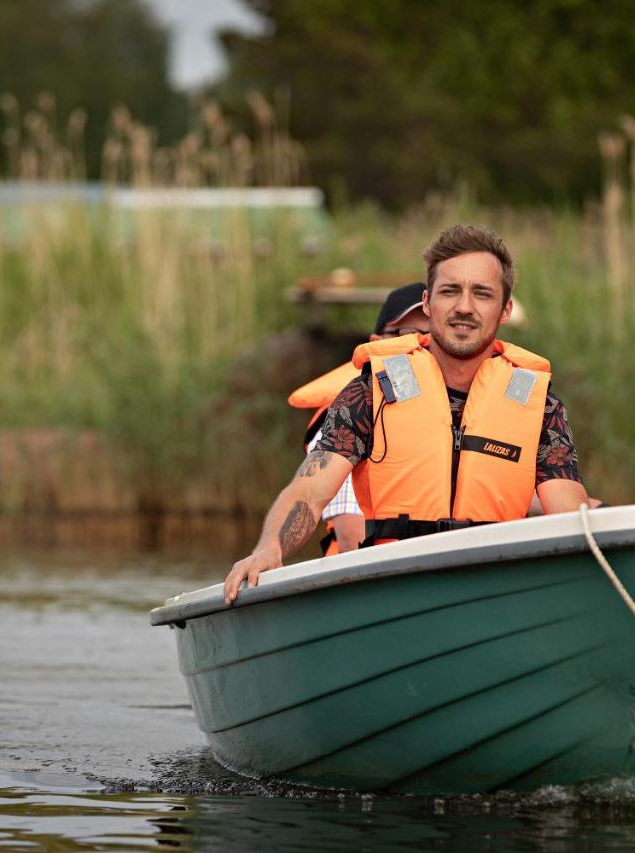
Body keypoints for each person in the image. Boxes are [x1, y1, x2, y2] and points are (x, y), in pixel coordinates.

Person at [225, 224, 591, 604]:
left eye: (481, 294)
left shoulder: (540, 405)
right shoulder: (371, 391)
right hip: (397, 585)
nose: (464, 306)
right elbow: (310, 489)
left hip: (493, 587)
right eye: (450, 291)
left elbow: (567, 509)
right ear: (429, 302)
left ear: (505, 309)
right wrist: (271, 547)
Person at [286, 282, 431, 555]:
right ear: (376, 343)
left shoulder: (456, 411)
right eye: (408, 334)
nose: (421, 344)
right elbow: (352, 538)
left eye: (431, 335)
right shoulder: (349, 409)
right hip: (380, 579)